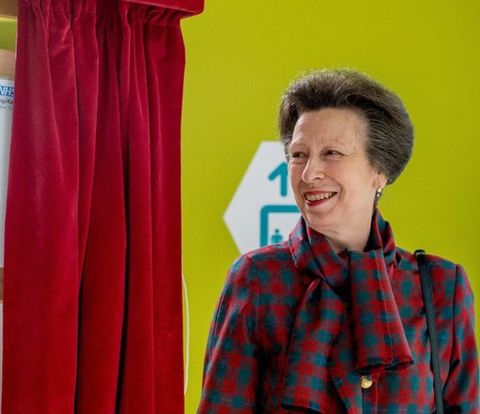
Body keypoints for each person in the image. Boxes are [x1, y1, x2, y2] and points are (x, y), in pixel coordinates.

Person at [198, 69, 478, 413]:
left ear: (380, 171)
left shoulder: (441, 287)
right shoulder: (258, 278)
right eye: (298, 155)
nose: (308, 173)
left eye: (331, 153)